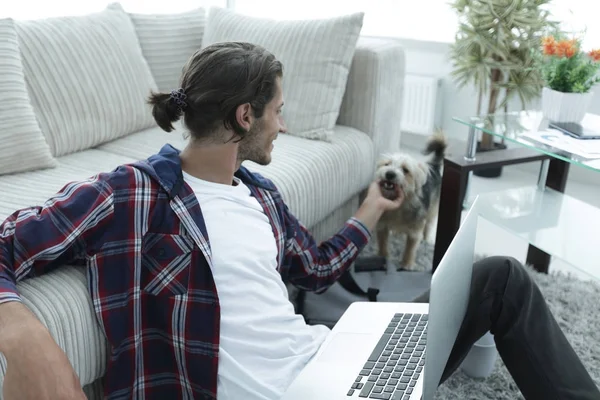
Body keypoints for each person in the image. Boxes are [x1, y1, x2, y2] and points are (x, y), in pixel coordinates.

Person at [0, 42, 597, 400]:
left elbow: (313, 269)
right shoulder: (130, 193)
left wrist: (371, 207)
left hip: (329, 364)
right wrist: (23, 335)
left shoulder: (258, 193)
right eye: (278, 112)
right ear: (244, 115)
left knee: (501, 278)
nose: (283, 126)